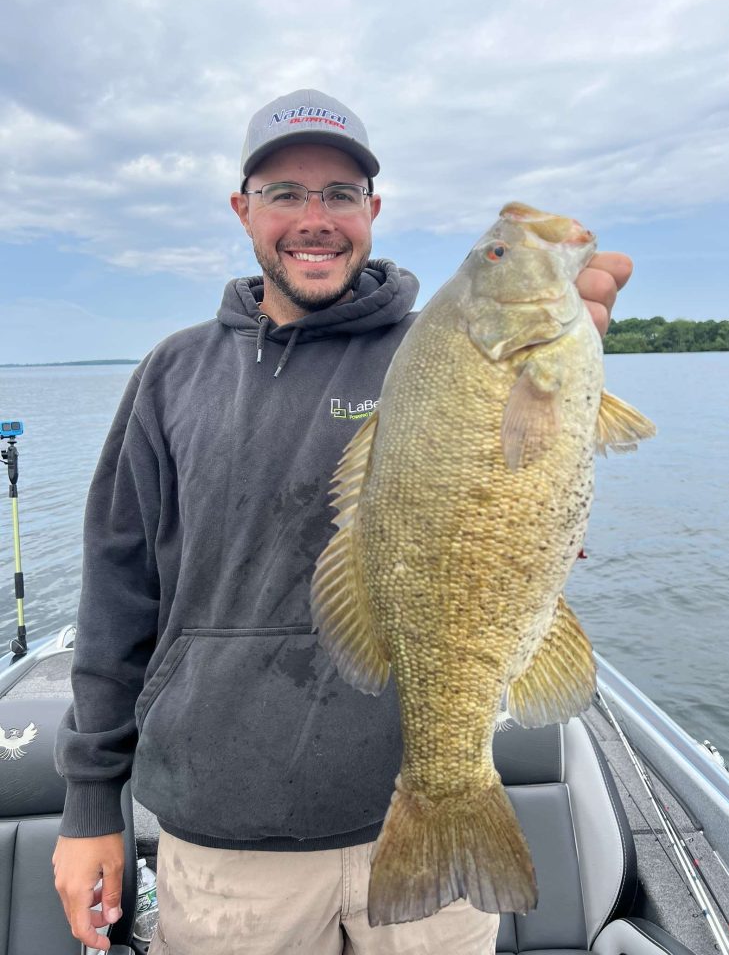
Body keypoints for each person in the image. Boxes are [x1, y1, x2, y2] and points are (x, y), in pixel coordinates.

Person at [52, 88, 633, 954]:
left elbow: (524, 483)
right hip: (226, 836)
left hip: (419, 801)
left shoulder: (439, 350)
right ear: (243, 210)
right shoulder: (172, 374)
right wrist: (89, 801)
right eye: (285, 193)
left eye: (338, 194)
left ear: (374, 210)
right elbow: (115, 592)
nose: (313, 219)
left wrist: (559, 403)